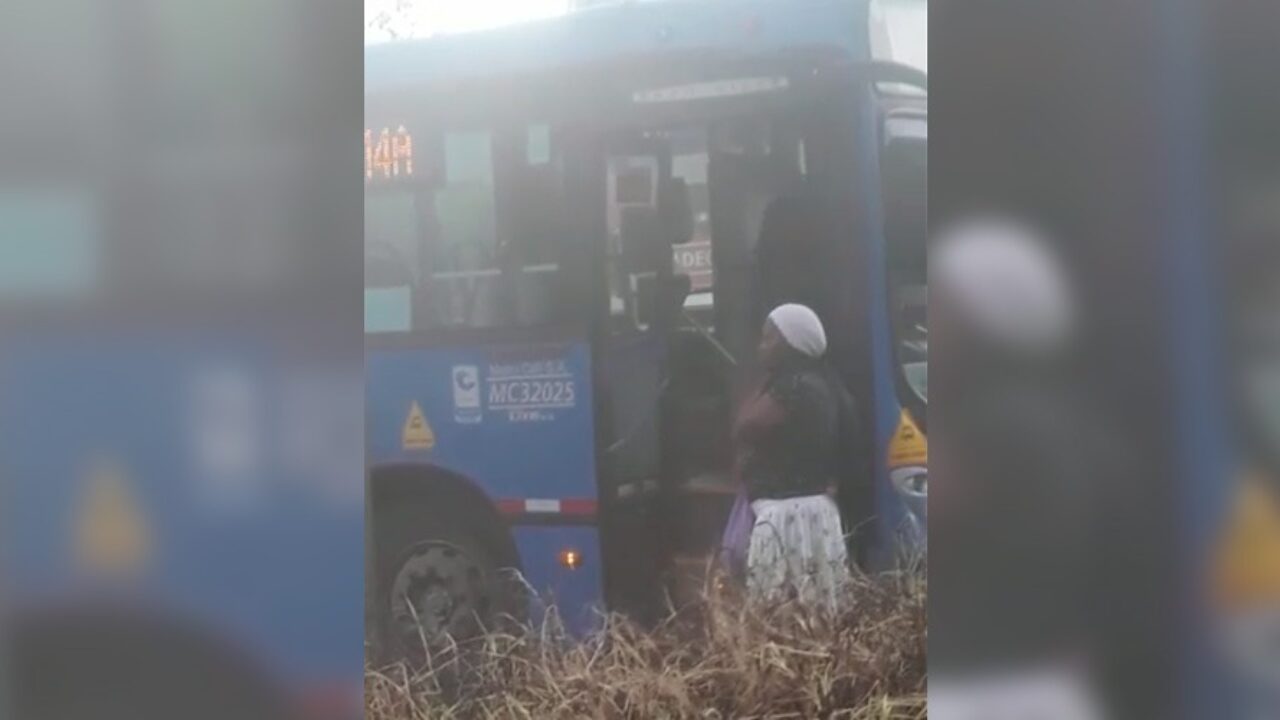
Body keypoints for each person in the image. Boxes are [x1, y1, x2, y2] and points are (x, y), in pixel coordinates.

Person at [733, 303, 852, 609]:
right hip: (808, 515)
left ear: (791, 342)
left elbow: (745, 425)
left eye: (769, 338)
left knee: (779, 610)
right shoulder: (820, 381)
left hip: (789, 521)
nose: (761, 347)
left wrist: (759, 383)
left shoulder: (795, 386)